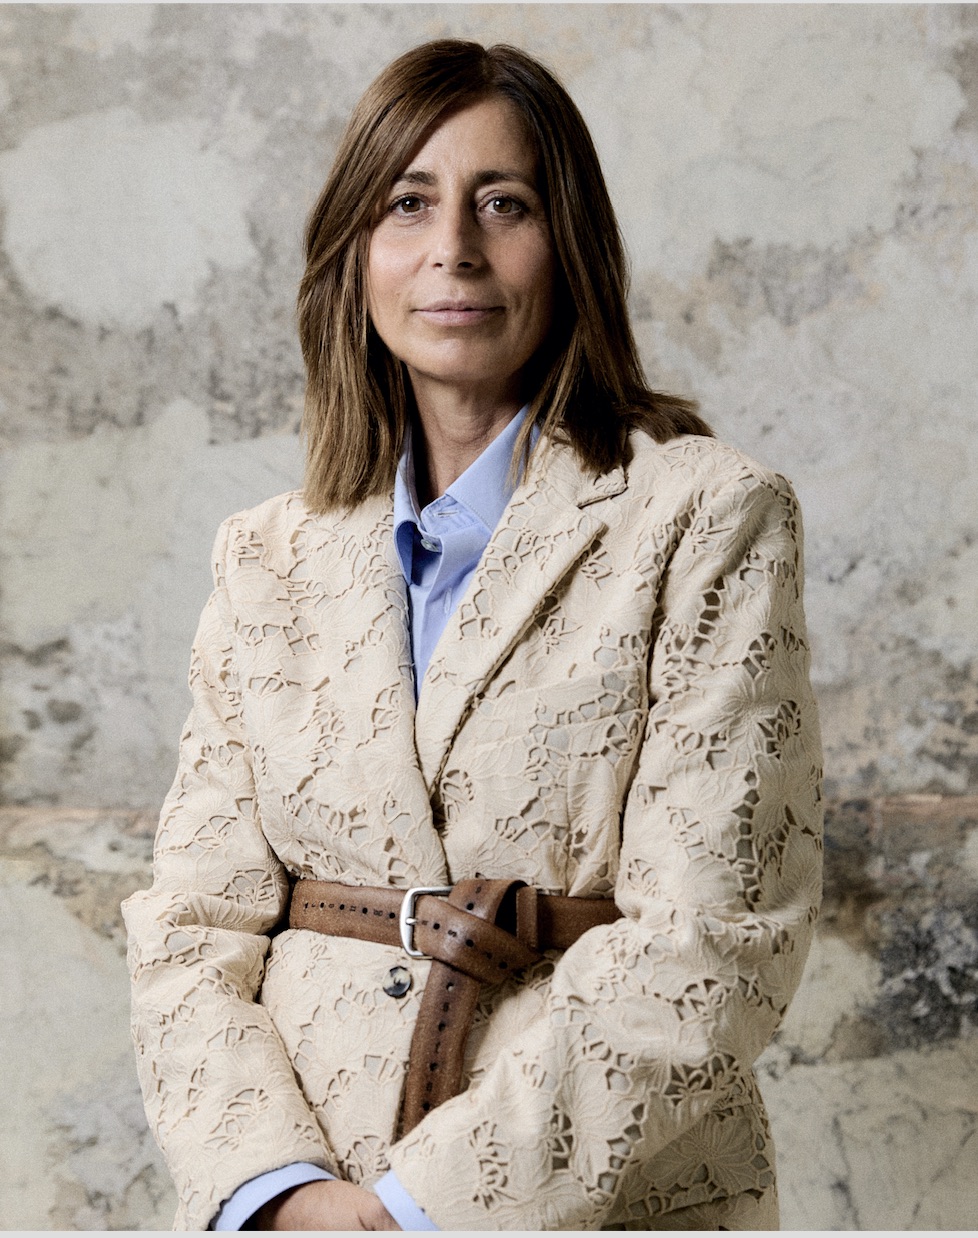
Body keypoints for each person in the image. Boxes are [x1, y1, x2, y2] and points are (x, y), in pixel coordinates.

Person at [123, 39, 822, 1232]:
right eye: (408, 203)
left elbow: (713, 943)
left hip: (610, 1205)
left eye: (504, 203)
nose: (453, 247)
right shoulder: (264, 556)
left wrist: (416, 1208)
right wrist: (281, 1191)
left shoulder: (708, 514)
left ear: (571, 244)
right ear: (355, 252)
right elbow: (193, 926)